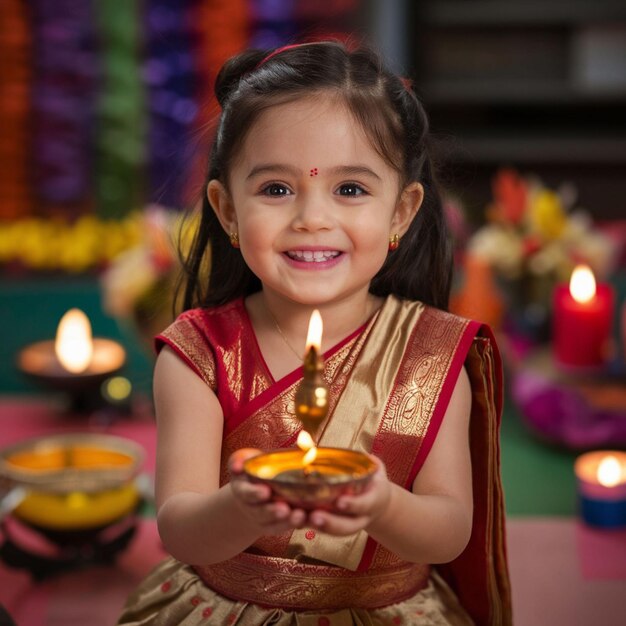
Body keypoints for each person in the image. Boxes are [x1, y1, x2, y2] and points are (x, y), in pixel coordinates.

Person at [118, 40, 511, 626]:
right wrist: (241, 508)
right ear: (226, 210)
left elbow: (450, 532)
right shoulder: (198, 355)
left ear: (401, 212)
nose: (312, 218)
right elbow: (179, 529)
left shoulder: (434, 355)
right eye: (276, 189)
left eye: (350, 189)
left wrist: (382, 506)